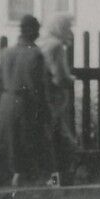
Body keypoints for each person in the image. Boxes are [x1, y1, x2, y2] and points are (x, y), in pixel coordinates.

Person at [0, 15, 51, 185]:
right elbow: (38, 87)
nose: (39, 33)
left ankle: (11, 182)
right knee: (27, 147)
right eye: (37, 29)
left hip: (5, 102)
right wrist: (44, 113)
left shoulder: (6, 52)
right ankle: (30, 187)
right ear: (30, 30)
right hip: (25, 104)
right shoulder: (35, 54)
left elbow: (1, 81)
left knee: (10, 146)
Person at [40, 12, 80, 183]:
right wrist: (71, 79)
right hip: (54, 99)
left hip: (43, 99)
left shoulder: (41, 43)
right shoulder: (56, 46)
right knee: (64, 142)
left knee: (51, 140)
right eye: (68, 27)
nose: (70, 31)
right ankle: (61, 181)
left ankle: (53, 179)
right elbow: (60, 77)